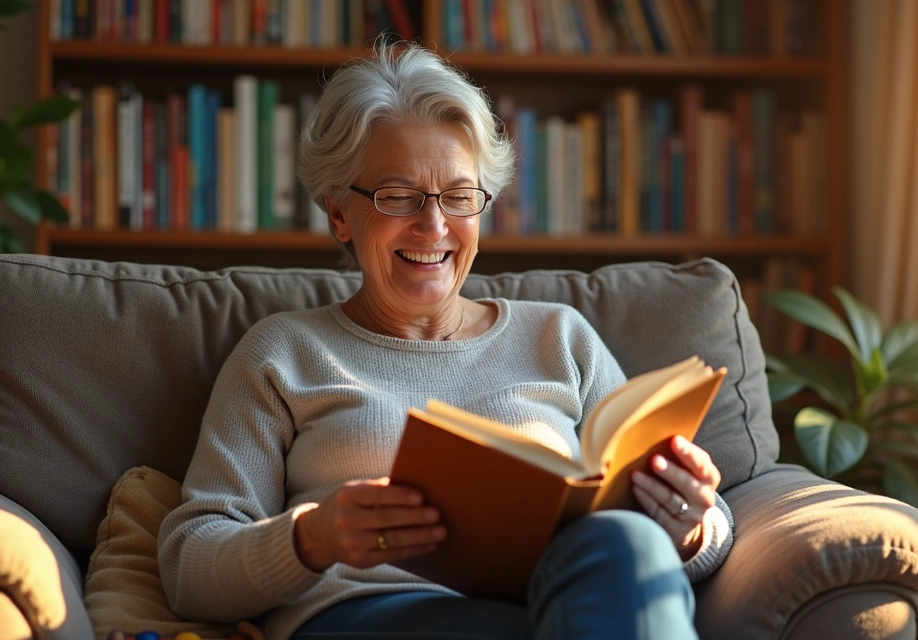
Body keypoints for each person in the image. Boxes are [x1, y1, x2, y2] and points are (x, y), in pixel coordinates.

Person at [157, 42, 734, 640]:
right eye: (398, 196)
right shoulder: (281, 354)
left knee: (627, 538)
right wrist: (312, 536)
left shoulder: (560, 338)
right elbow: (188, 567)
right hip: (369, 617)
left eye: (459, 197)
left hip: (560, 612)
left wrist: (688, 524)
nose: (433, 227)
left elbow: (706, 535)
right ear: (338, 213)